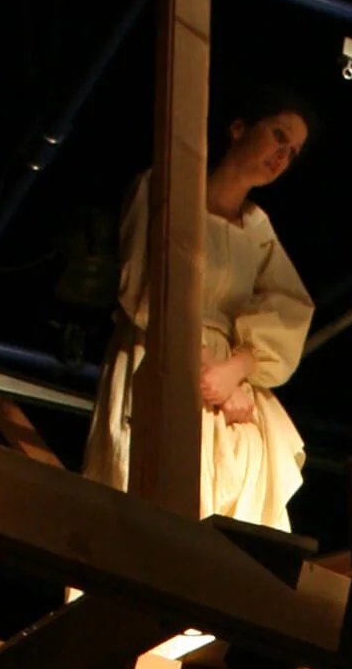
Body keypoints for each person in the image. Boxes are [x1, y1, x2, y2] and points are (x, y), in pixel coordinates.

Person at [84, 89, 316, 530]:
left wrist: (238, 368)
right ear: (239, 129)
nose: (281, 155)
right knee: (148, 494)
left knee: (231, 505)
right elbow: (141, 288)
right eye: (278, 136)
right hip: (158, 355)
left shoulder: (258, 230)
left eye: (292, 152)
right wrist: (207, 368)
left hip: (226, 382)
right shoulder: (161, 189)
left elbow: (291, 311)